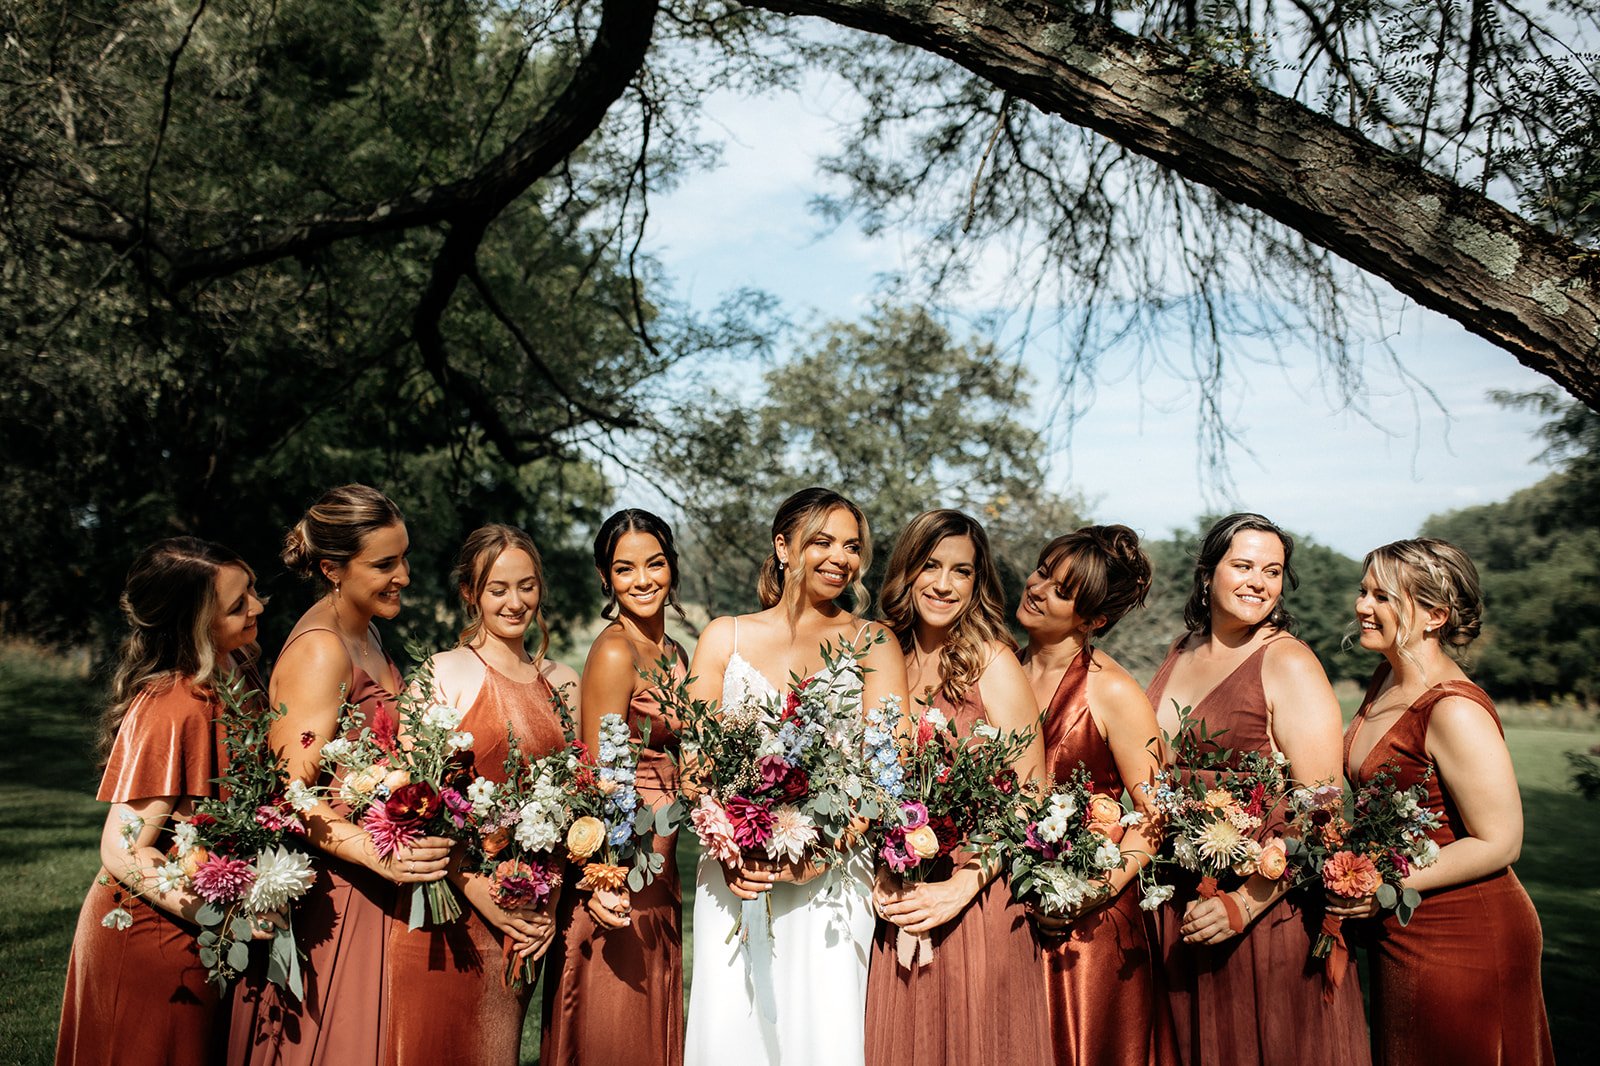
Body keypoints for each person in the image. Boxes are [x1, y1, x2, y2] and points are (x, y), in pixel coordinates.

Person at [682, 487, 908, 1066]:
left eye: (853, 547)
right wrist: (732, 851)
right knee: (734, 1027)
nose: (841, 558)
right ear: (783, 547)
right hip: (735, 873)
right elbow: (696, 766)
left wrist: (822, 855)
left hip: (832, 879)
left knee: (822, 1031)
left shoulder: (874, 642)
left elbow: (890, 767)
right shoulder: (723, 636)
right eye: (823, 541)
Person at [230, 485, 452, 1066]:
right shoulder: (322, 649)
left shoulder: (368, 630)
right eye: (383, 564)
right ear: (331, 568)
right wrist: (377, 853)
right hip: (339, 893)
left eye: (404, 557)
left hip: (382, 876)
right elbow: (288, 795)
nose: (403, 574)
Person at [1144, 513, 1368, 1066]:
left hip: (1260, 916)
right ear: (1206, 574)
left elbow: (1324, 809)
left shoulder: (1288, 661)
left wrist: (1244, 904)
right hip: (1178, 902)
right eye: (1242, 566)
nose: (1258, 582)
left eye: (1273, 571)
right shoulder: (1184, 647)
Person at [1330, 538, 1553, 1065]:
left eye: (1384, 597)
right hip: (1401, 928)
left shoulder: (1453, 709)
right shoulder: (1386, 678)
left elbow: (1501, 841)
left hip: (1466, 935)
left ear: (1435, 615)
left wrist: (1383, 882)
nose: (1363, 606)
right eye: (1364, 591)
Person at [56, 537, 269, 1066]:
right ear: (191, 623)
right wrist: (225, 920)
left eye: (253, 593)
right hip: (157, 939)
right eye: (238, 605)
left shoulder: (238, 667)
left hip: (209, 933)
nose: (259, 607)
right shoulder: (172, 705)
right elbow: (123, 850)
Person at [382, 524, 577, 1064]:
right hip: (447, 915)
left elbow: (575, 806)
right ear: (470, 592)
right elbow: (413, 804)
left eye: (528, 586)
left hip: (526, 915)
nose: (516, 603)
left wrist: (547, 906)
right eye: (498, 589)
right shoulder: (442, 673)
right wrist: (477, 891)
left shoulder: (564, 682)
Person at [863, 509, 1049, 1066]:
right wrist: (881, 865)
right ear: (906, 571)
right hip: (894, 902)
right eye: (931, 565)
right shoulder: (879, 654)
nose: (944, 584)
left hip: (974, 904)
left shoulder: (992, 662)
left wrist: (961, 887)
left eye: (961, 571)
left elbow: (1032, 797)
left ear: (977, 582)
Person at [1016, 525, 1174, 1066]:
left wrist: (1091, 890)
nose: (1037, 588)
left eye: (1061, 591)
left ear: (1095, 620)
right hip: (1007, 912)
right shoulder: (1000, 672)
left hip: (1087, 930)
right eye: (1042, 571)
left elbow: (1159, 815)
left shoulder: (1111, 690)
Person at [542, 509, 689, 1066]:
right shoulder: (613, 651)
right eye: (625, 569)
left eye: (654, 564)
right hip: (623, 858)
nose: (643, 579)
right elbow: (598, 772)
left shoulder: (672, 652)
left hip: (662, 850)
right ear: (606, 578)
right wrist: (605, 876)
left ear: (671, 568)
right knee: (613, 1016)